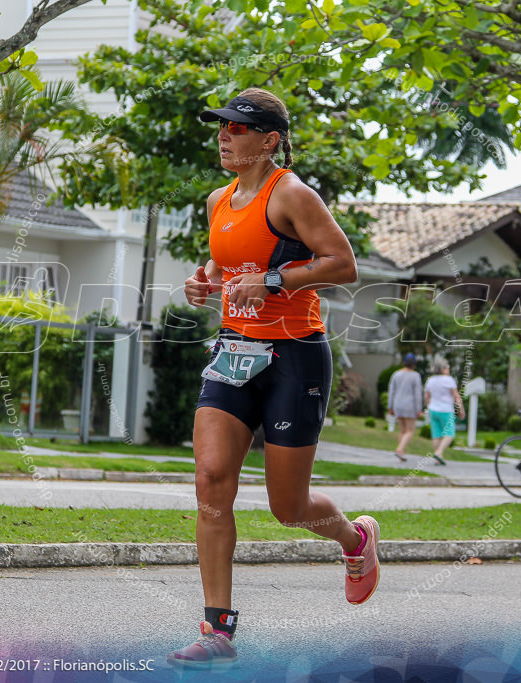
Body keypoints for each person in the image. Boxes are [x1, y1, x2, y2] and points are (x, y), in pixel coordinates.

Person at [170, 88, 381, 670]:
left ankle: (354, 539)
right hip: (235, 350)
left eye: (236, 129)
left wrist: (271, 283)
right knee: (212, 482)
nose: (223, 136)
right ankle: (218, 630)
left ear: (269, 140)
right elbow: (223, 261)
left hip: (294, 356)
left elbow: (343, 264)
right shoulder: (219, 199)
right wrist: (202, 279)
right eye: (221, 128)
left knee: (288, 507)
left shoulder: (291, 193)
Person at [423, 358, 465, 465]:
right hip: (446, 410)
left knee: (436, 434)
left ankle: (438, 458)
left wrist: (428, 406)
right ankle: (439, 452)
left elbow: (427, 396)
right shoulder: (448, 380)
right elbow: (456, 396)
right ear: (442, 369)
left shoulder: (430, 380)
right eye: (447, 367)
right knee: (449, 434)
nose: (448, 369)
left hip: (433, 410)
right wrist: (461, 409)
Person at [387, 353, 423, 462]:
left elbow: (391, 391)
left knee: (402, 430)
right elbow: (417, 394)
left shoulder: (396, 374)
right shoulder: (415, 375)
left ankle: (402, 454)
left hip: (397, 404)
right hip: (410, 405)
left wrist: (390, 406)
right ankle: (400, 449)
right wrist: (419, 409)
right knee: (410, 430)